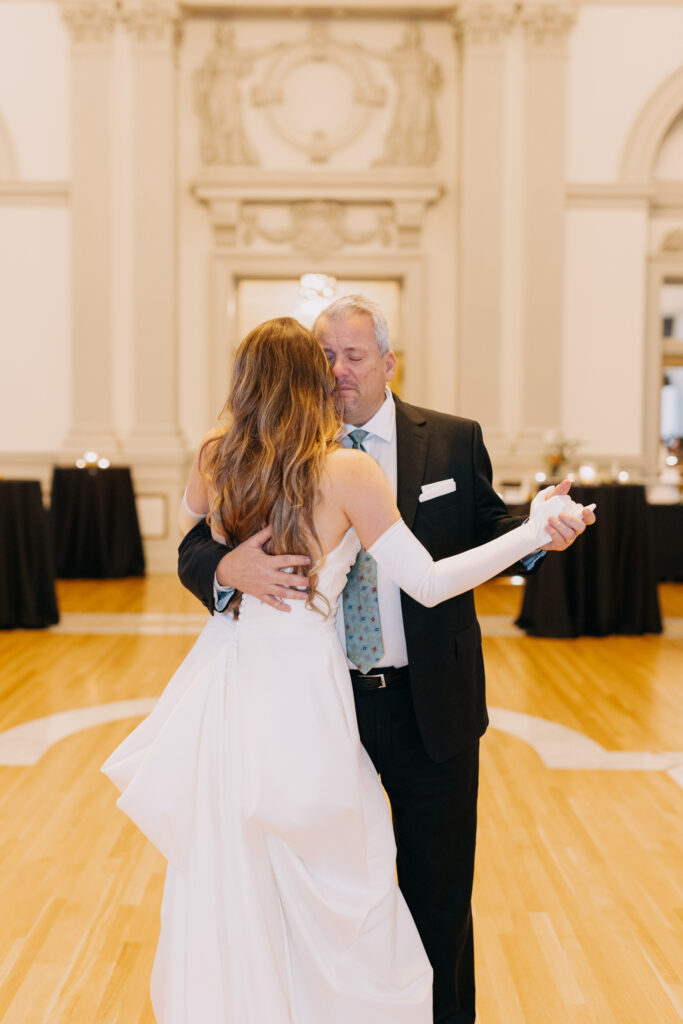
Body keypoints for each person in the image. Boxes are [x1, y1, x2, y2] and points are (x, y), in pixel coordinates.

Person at [177, 299, 595, 1024]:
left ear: (386, 362)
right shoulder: (312, 464)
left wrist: (534, 531)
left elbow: (485, 527)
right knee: (328, 891)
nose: (338, 370)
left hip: (414, 701)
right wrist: (225, 568)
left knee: (423, 895)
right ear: (305, 369)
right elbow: (194, 548)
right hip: (321, 704)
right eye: (323, 357)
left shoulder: (444, 439)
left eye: (353, 356)